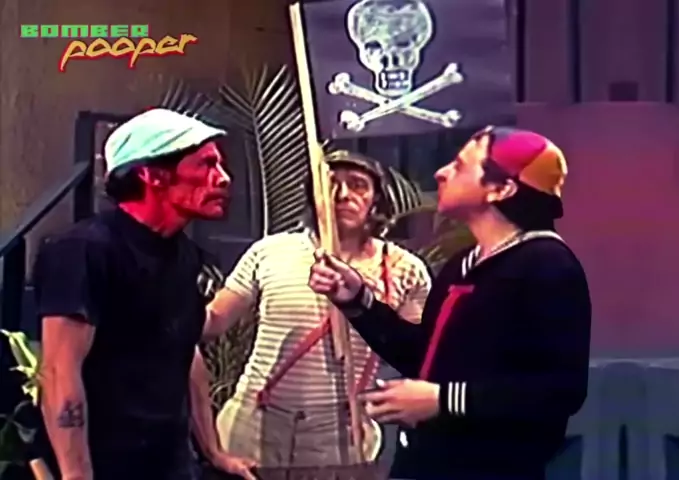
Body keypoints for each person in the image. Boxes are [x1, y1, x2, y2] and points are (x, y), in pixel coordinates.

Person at [308, 127, 592, 480]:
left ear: (501, 189)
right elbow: (424, 355)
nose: (441, 173)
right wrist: (358, 301)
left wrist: (442, 400)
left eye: (459, 166)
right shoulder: (462, 264)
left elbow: (559, 391)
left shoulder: (548, 265)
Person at [32, 108, 252, 480]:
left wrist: (214, 451)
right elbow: (59, 372)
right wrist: (76, 475)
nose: (223, 178)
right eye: (206, 165)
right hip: (103, 464)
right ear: (151, 174)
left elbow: (186, 351)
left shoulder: (184, 255)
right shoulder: (83, 250)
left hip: (169, 464)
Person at [193, 150, 432, 476]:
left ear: (376, 200)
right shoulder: (271, 252)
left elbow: (419, 353)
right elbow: (214, 321)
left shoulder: (404, 268)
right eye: (330, 184)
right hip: (254, 432)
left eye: (358, 185)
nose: (342, 195)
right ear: (313, 196)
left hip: (343, 440)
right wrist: (168, 307)